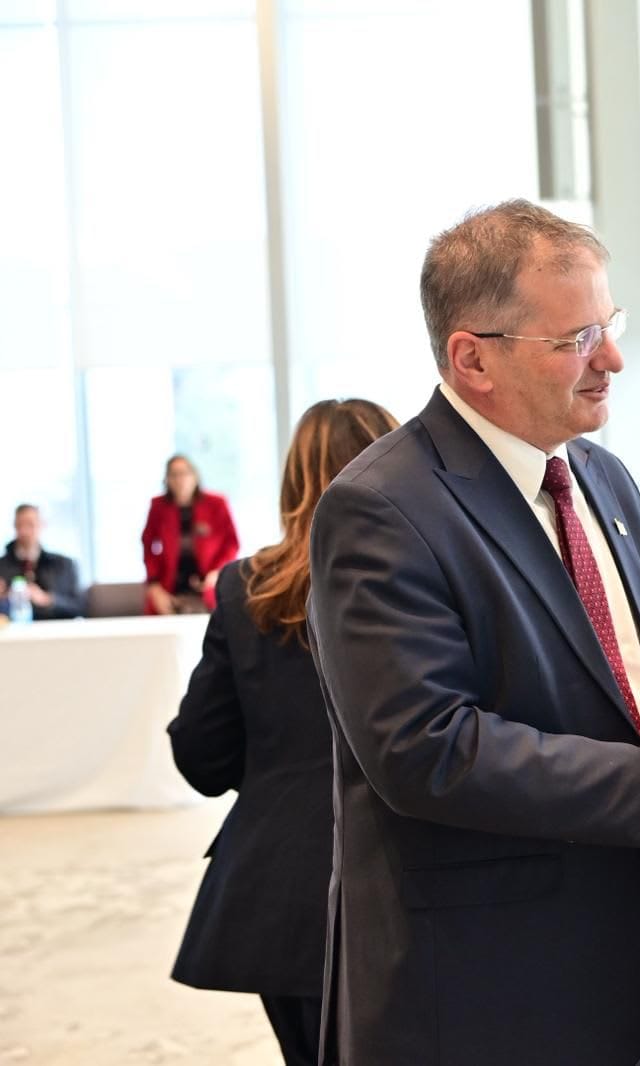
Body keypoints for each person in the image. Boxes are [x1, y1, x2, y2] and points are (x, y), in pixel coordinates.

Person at [306, 200, 640, 1066]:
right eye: (577, 339)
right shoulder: (382, 510)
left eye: (607, 325)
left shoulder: (598, 477)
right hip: (472, 980)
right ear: (473, 359)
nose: (613, 358)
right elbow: (427, 747)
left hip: (610, 948)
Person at [166, 399, 399, 1066]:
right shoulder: (433, 575)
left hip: (283, 888)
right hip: (419, 873)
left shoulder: (246, 589)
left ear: (293, 481)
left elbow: (203, 757)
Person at [142, 454, 239, 614]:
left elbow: (232, 543)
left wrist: (217, 572)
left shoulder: (216, 503)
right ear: (167, 479)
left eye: (185, 473)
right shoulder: (159, 506)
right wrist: (154, 586)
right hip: (169, 587)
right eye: (174, 474)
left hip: (207, 583)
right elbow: (147, 544)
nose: (180, 479)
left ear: (195, 476)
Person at [1, 504, 84, 619]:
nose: (24, 531)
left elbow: (80, 607)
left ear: (42, 525)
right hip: (13, 633)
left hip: (55, 631)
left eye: (30, 524)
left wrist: (48, 600)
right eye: (19, 525)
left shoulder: (64, 565)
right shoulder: (2, 567)